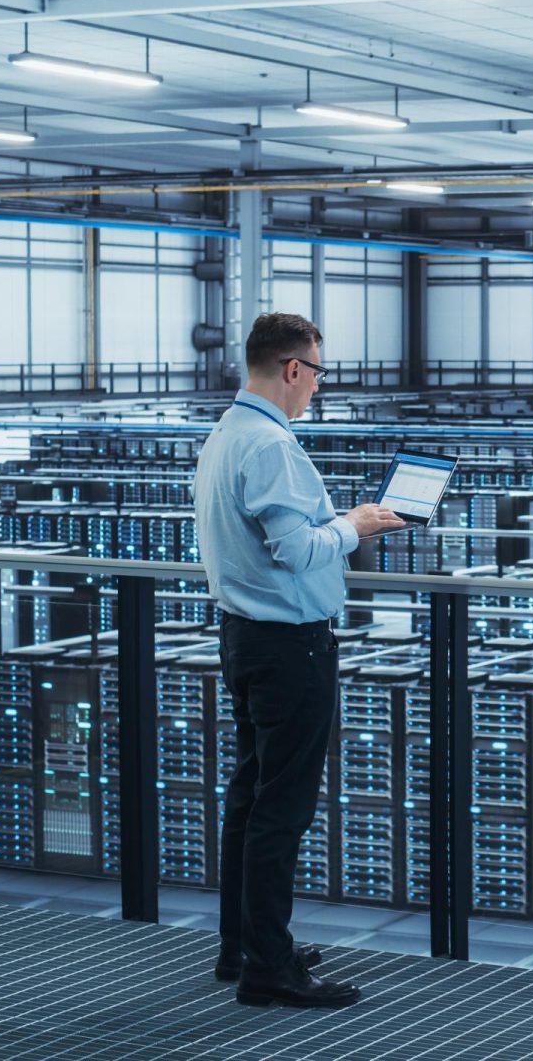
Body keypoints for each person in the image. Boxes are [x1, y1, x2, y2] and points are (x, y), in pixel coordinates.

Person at [193, 312, 403, 1008]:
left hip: (245, 637)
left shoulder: (226, 433)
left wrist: (333, 523)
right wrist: (357, 524)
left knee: (251, 801)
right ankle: (270, 970)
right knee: (280, 811)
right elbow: (298, 549)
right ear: (293, 369)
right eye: (316, 373)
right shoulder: (273, 446)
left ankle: (246, 946)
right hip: (290, 647)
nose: (316, 387)